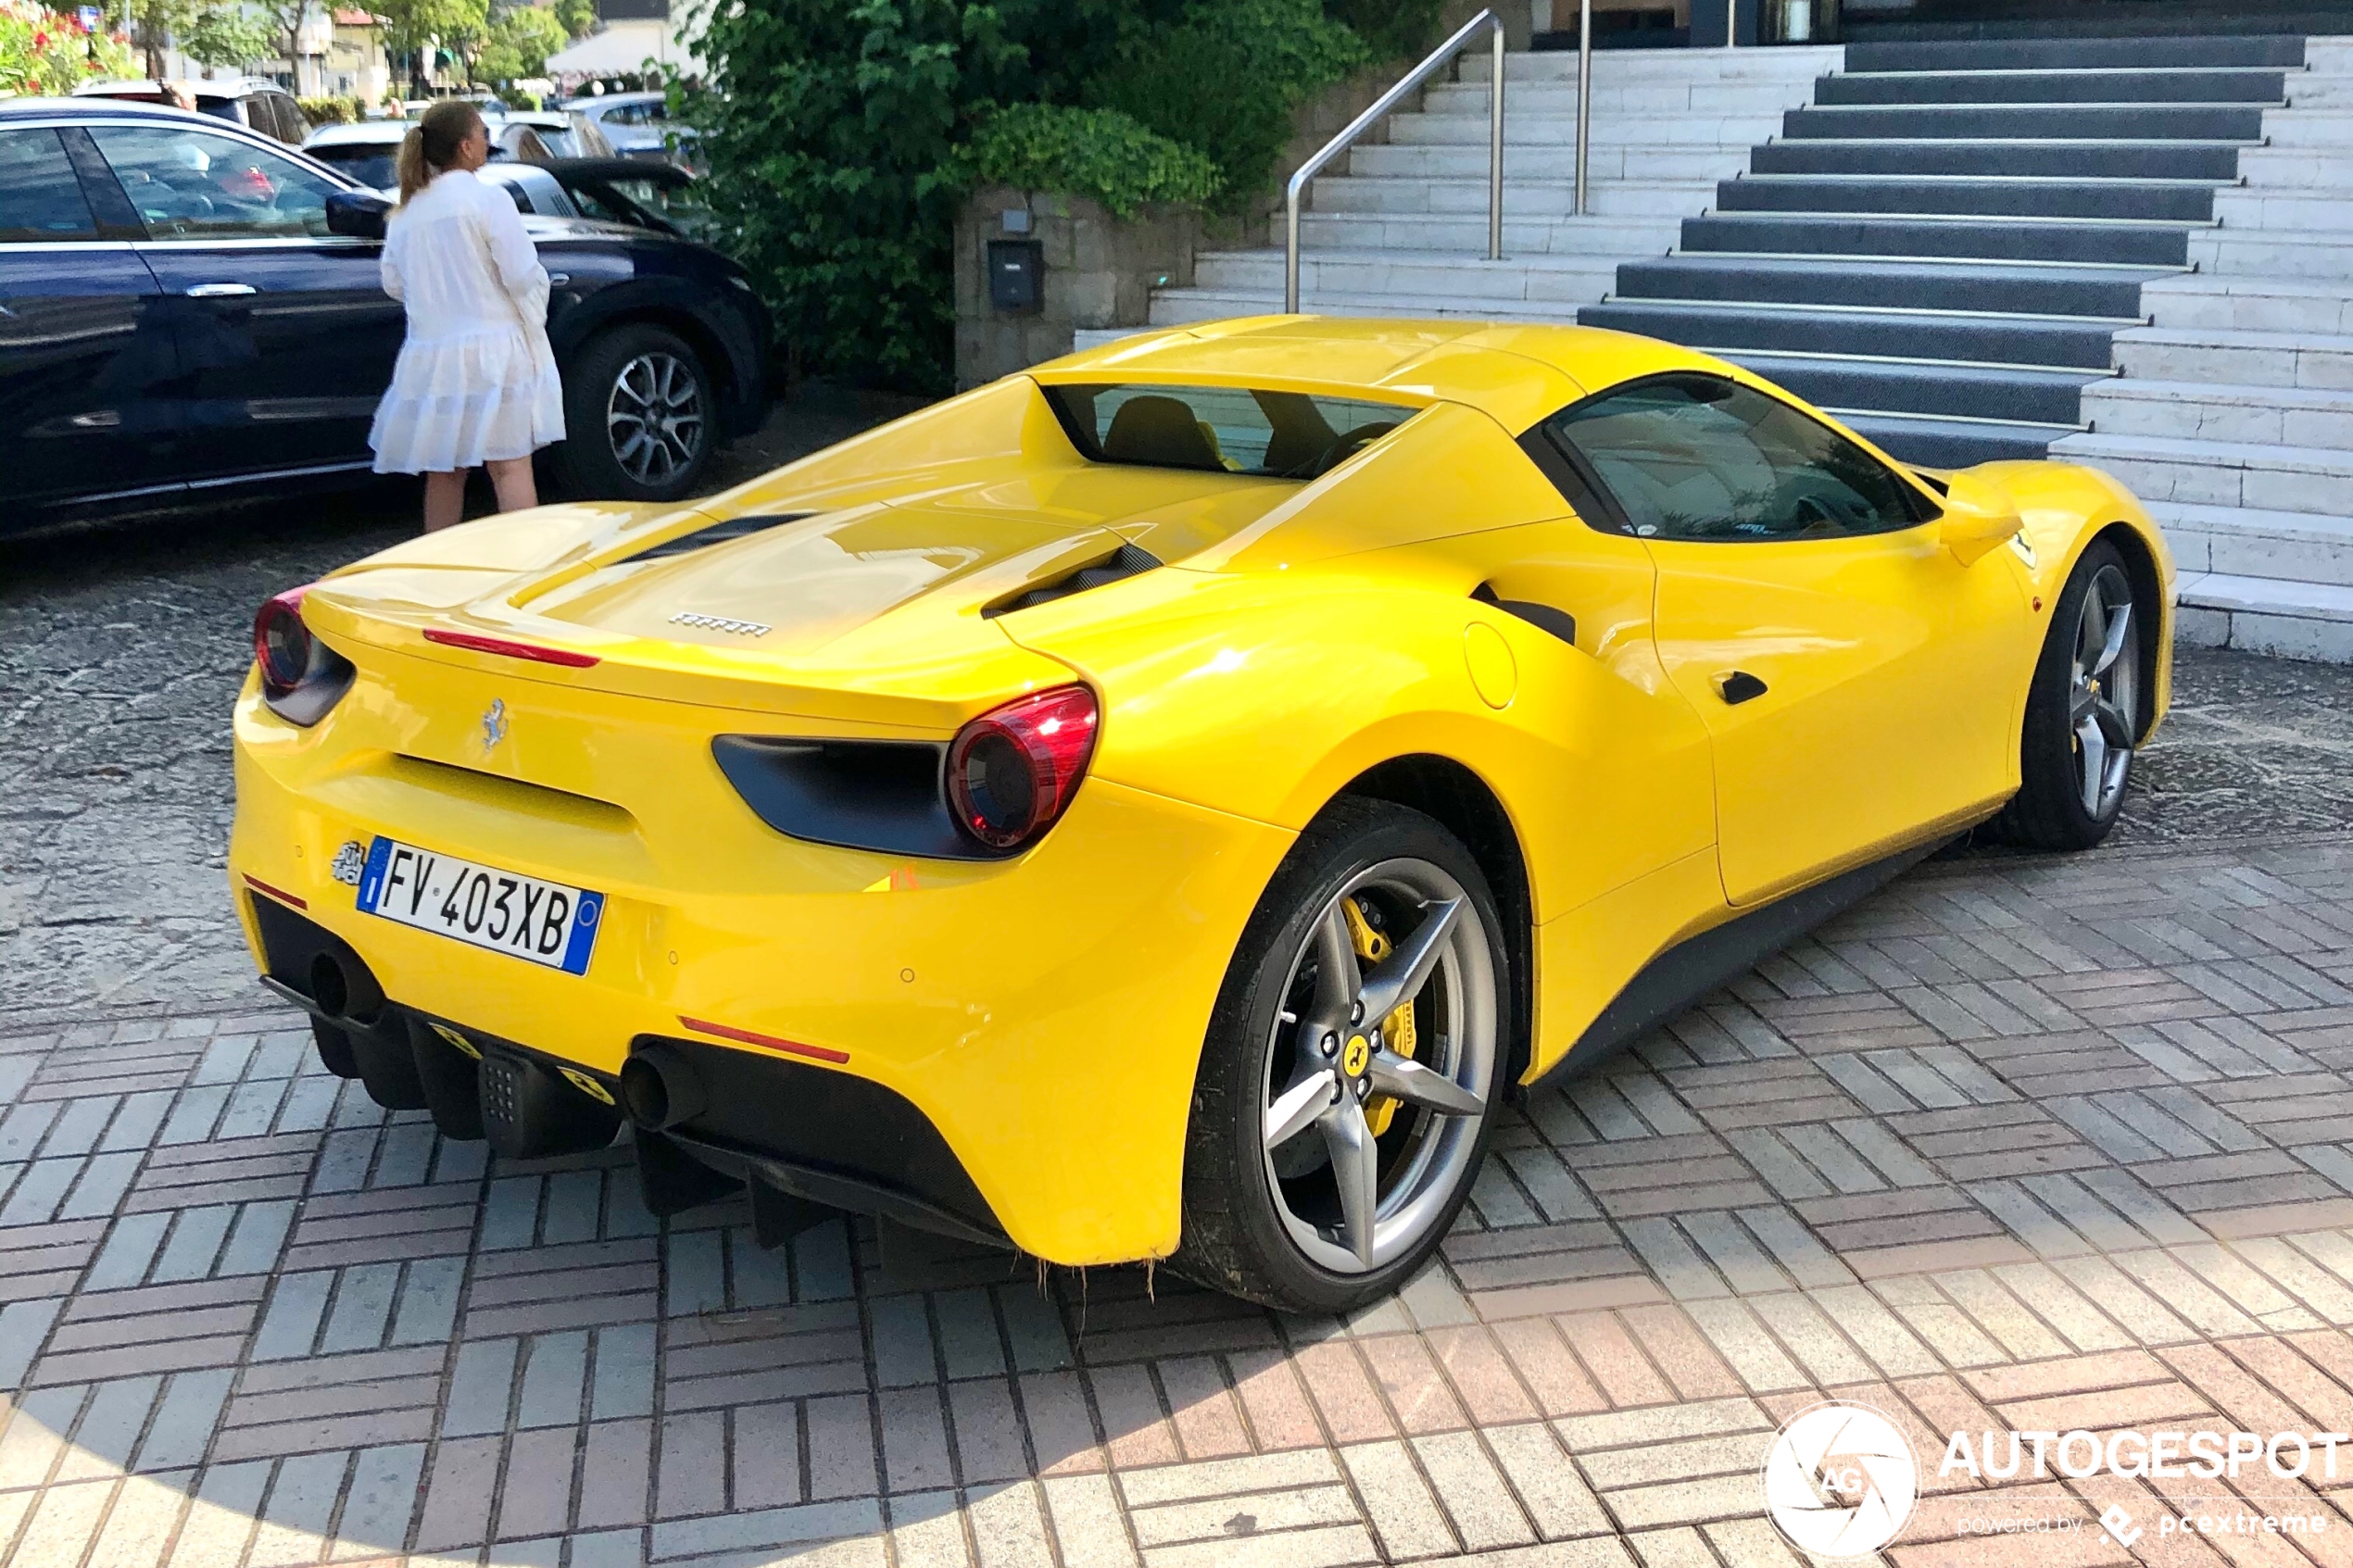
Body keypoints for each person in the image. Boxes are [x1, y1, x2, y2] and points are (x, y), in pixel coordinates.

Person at [368, 100, 564, 532]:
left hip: (433, 357)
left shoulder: (405, 214)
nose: (487, 143)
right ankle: (526, 566)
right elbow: (519, 273)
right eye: (482, 135)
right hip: (496, 350)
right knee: (510, 467)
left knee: (444, 471)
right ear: (466, 146)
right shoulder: (488, 200)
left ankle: (444, 573)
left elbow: (393, 284)